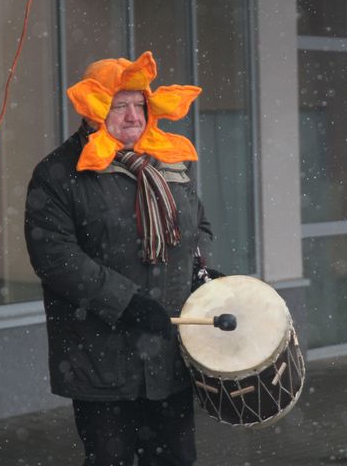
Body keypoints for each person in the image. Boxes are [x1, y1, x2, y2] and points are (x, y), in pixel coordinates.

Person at [24, 51, 212, 465]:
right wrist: (127, 302)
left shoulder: (166, 164)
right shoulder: (60, 173)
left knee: (177, 458)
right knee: (112, 459)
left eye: (139, 105)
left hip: (168, 356)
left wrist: (199, 273)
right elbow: (55, 257)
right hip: (101, 359)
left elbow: (198, 227)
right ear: (93, 111)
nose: (132, 116)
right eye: (118, 105)